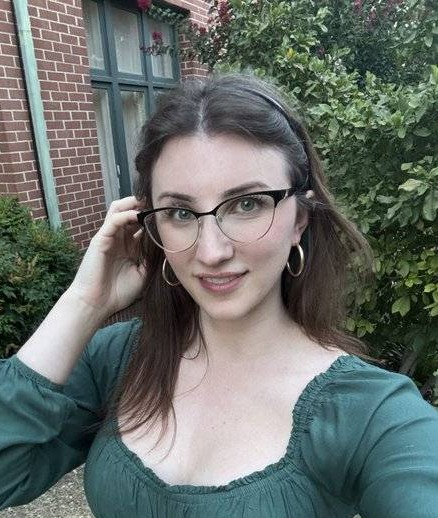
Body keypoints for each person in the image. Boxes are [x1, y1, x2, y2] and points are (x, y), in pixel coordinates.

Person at [1, 74, 437, 518]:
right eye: (180, 212)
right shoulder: (118, 359)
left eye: (247, 204)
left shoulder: (371, 415)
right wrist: (84, 303)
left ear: (300, 220)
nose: (211, 252)